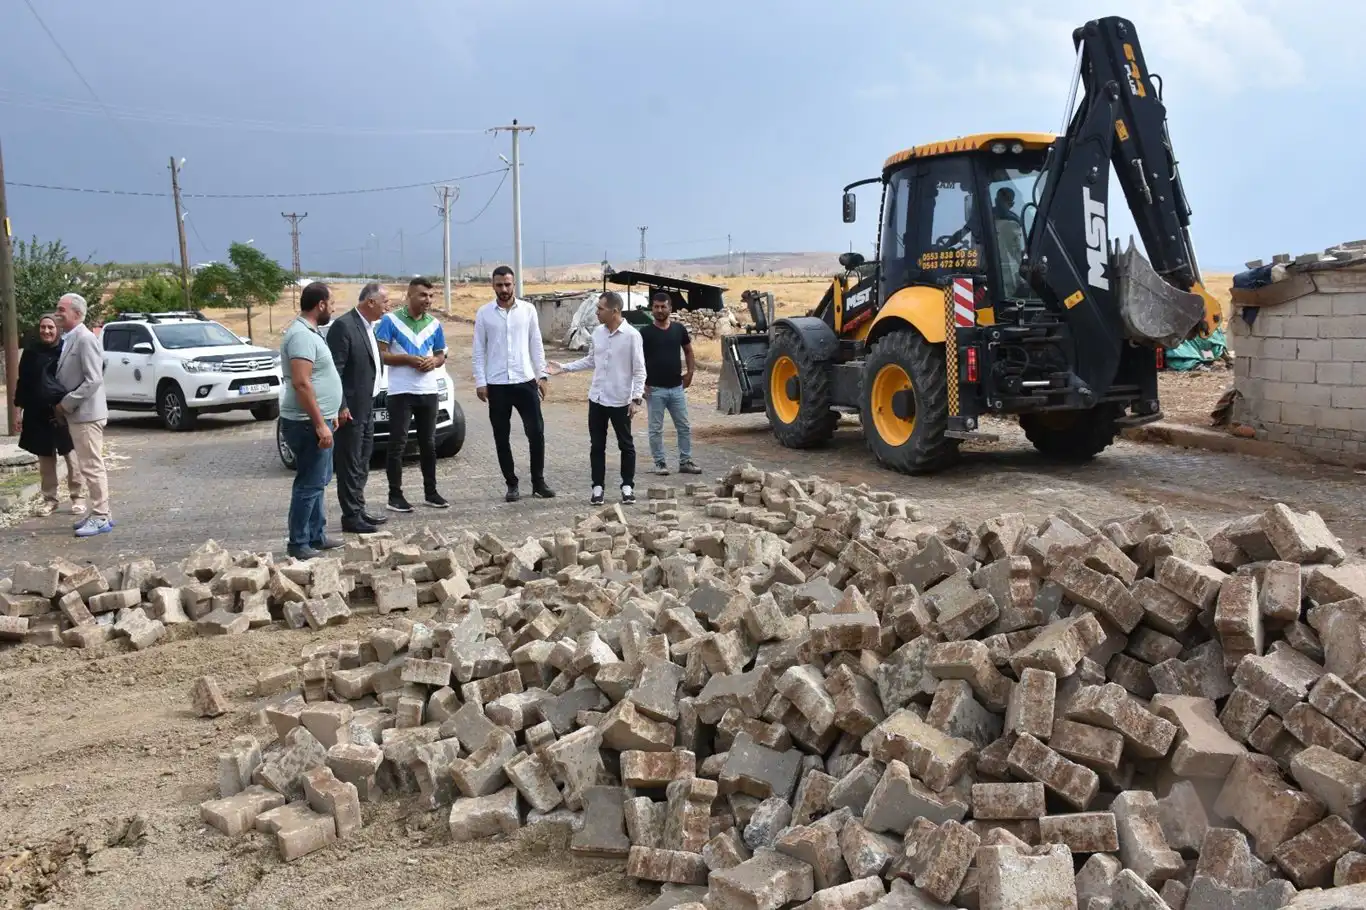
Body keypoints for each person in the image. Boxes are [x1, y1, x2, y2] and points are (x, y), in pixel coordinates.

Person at [548, 291, 645, 506]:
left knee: (626, 445)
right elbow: (591, 360)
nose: (596, 312)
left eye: (600, 309)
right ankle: (597, 487)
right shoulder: (598, 334)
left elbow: (639, 371)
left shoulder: (631, 336)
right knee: (597, 446)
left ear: (615, 311)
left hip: (621, 401)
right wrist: (564, 368)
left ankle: (627, 486)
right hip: (597, 399)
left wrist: (636, 398)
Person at [472, 265, 554, 503]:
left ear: (514, 284)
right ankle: (511, 484)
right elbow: (479, 351)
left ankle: (538, 482)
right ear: (493, 285)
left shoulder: (527, 310)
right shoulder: (484, 313)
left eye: (508, 284)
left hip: (525, 381)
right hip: (497, 385)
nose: (504, 289)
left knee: (536, 432)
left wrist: (543, 376)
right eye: (499, 285)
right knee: (501, 436)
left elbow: (536, 345)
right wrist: (480, 381)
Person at [279, 281, 345, 559]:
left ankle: (316, 536)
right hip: (306, 423)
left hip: (319, 420)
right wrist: (319, 422)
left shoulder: (311, 333)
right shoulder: (302, 336)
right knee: (309, 483)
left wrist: (330, 415)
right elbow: (302, 383)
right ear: (320, 305)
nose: (333, 308)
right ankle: (298, 543)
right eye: (330, 303)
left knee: (319, 480)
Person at [374, 276, 448, 512]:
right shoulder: (390, 320)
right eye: (422, 295)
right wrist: (406, 359)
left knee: (428, 444)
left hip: (428, 390)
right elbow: (381, 355)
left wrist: (434, 362)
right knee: (398, 443)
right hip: (400, 391)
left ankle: (431, 492)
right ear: (409, 296)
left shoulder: (435, 324)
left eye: (430, 295)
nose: (427, 300)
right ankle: (395, 495)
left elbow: (440, 355)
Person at [327, 281, 391, 533]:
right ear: (371, 302)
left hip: (367, 406)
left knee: (363, 460)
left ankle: (359, 509)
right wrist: (340, 405)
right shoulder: (344, 326)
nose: (389, 306)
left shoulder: (369, 326)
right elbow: (335, 372)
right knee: (350, 461)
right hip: (350, 409)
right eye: (385, 302)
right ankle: (350, 516)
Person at [53, 293, 112, 538]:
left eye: (61, 310)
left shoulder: (85, 339)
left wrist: (66, 403)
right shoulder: (71, 338)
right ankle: (100, 512)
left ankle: (100, 516)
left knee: (91, 467)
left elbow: (93, 379)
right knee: (89, 466)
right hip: (80, 416)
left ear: (76, 313)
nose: (57, 314)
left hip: (86, 414)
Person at [15, 314, 84, 516]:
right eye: (43, 327)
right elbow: (23, 383)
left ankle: (77, 497)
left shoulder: (66, 350)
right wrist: (18, 410)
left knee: (71, 455)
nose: (46, 331)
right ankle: (50, 499)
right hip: (37, 412)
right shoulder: (31, 353)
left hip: (62, 410)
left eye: (51, 327)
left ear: (58, 329)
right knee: (45, 459)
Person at [640, 290, 701, 476]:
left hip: (676, 388)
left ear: (670, 308)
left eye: (663, 306)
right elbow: (636, 361)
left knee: (683, 427)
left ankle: (686, 461)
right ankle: (660, 463)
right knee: (655, 430)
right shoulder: (644, 333)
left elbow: (689, 352)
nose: (659, 310)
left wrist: (690, 373)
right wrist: (640, 384)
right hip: (654, 389)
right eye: (656, 307)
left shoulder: (678, 329)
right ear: (652, 308)